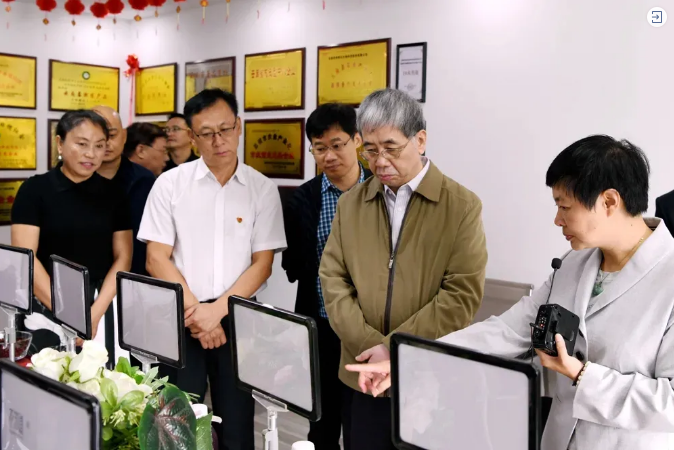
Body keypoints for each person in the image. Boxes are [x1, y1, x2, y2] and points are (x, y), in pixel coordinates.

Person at [347, 135, 674, 450]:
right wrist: (406, 357)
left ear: (609, 201)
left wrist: (582, 375)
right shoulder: (575, 263)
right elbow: (507, 330)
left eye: (564, 206)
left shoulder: (667, 279)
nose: (557, 219)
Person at [318, 89, 488, 450]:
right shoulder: (351, 204)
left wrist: (393, 350)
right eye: (370, 150)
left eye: (391, 148)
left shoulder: (461, 206)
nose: (379, 161)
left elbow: (461, 297)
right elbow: (333, 279)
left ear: (420, 140)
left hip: (428, 377)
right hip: (363, 374)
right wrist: (373, 350)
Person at [138, 88, 286, 450]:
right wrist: (198, 314)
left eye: (225, 129)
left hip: (237, 319)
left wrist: (216, 312)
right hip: (181, 317)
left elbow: (263, 265)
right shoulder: (170, 184)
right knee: (175, 425)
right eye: (207, 133)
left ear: (239, 126)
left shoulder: (262, 189)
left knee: (237, 423)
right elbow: (156, 258)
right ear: (192, 137)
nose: (219, 141)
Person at [282, 103, 371, 450]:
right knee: (321, 421)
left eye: (337, 145)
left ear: (357, 140)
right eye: (320, 148)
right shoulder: (302, 200)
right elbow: (292, 266)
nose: (329, 156)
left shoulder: (383, 189)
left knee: (365, 422)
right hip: (321, 326)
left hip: (371, 330)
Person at [11, 110, 132, 352]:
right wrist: (68, 313)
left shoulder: (115, 194)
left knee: (102, 373)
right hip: (45, 301)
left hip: (100, 303)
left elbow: (123, 257)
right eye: (82, 144)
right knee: (46, 372)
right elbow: (26, 258)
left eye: (99, 145)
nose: (91, 154)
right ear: (60, 143)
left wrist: (95, 313)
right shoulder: (35, 190)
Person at [94, 107, 157, 276]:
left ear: (124, 135)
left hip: (137, 277)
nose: (106, 142)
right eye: (98, 136)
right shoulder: (76, 180)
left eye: (112, 135)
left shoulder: (145, 180)